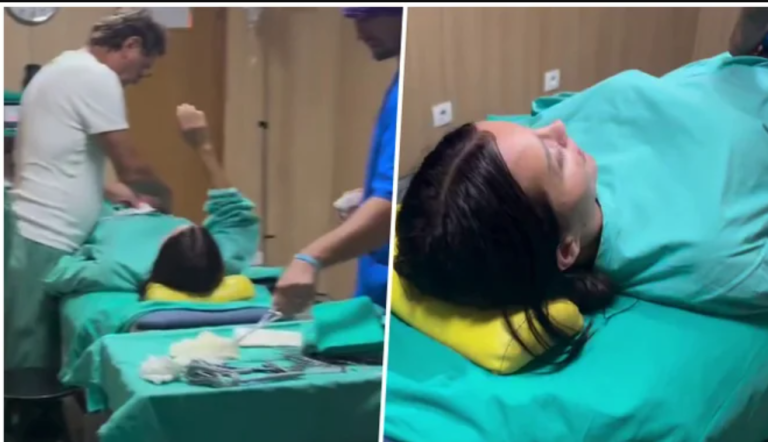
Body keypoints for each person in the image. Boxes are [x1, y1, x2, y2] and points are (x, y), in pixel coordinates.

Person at [395, 36, 768, 365]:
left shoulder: (516, 160)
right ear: (567, 249)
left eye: (532, 130)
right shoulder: (714, 252)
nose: (557, 128)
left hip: (742, 58)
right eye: (555, 160)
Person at [6, 8, 169, 370]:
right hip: (45, 233)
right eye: (143, 69)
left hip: (35, 228)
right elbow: (132, 165)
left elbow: (49, 152)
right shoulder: (96, 77)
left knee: (27, 344)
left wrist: (104, 188)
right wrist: (167, 199)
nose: (137, 80)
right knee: (30, 359)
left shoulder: (62, 67)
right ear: (131, 45)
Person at [45, 105, 259, 301]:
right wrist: (203, 146)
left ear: (165, 245)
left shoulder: (120, 269)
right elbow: (234, 215)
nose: (187, 228)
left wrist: (94, 191)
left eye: (182, 234)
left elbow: (57, 274)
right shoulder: (219, 261)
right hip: (147, 206)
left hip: (106, 212)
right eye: (195, 231)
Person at [272, 7, 402, 315]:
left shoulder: (406, 94)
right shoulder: (400, 83)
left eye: (367, 17)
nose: (359, 33)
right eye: (354, 19)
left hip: (397, 297)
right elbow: (400, 188)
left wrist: (309, 259)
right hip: (376, 288)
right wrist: (367, 199)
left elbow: (389, 205)